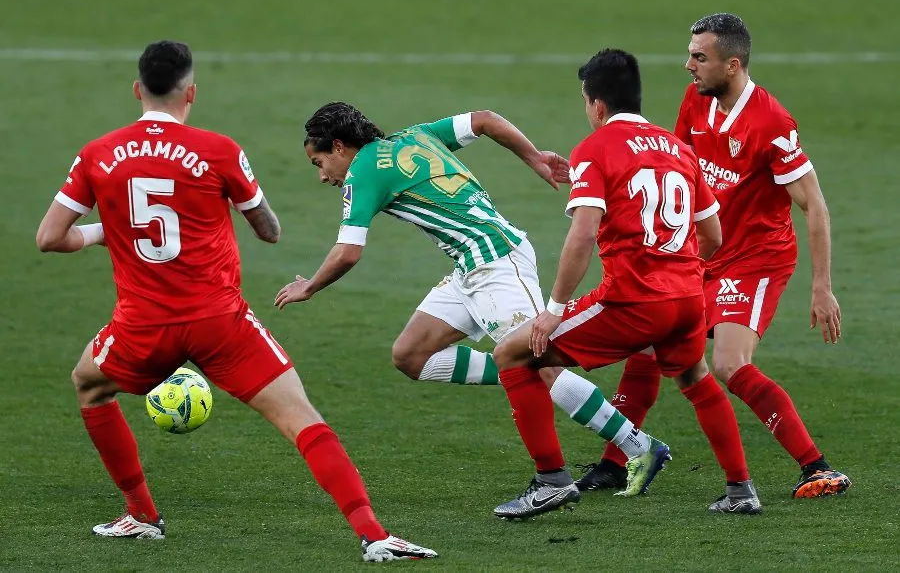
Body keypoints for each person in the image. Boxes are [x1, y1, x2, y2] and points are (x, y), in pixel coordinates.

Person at [35, 40, 436, 562]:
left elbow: (50, 238)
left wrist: (104, 233)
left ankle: (141, 515)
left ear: (137, 90)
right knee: (302, 419)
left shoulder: (97, 153)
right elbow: (269, 230)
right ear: (191, 93)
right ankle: (375, 536)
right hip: (220, 322)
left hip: (143, 327)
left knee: (89, 385)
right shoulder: (219, 149)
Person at [275, 102, 672, 505]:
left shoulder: (361, 172)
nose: (323, 175)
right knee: (411, 355)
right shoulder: (414, 136)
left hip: (496, 264)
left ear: (339, 146)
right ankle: (517, 373)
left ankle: (636, 446)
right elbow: (483, 119)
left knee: (541, 366)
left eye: (319, 162)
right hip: (470, 267)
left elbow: (347, 252)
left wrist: (309, 287)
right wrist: (533, 156)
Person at [580, 13, 852, 500]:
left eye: (699, 58)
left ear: (733, 64)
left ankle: (816, 466)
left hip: (755, 259)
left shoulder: (771, 123)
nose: (688, 65)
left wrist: (822, 287)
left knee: (728, 363)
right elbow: (678, 166)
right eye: (690, 54)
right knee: (647, 340)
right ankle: (613, 464)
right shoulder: (696, 100)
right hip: (702, 252)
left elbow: (815, 204)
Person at [491, 48, 763, 517]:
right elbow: (714, 235)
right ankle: (741, 490)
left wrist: (554, 308)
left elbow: (582, 233)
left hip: (634, 299)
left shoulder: (594, 149)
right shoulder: (678, 149)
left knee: (513, 353)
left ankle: (550, 481)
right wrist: (681, 272)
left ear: (596, 104)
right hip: (686, 297)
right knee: (696, 377)